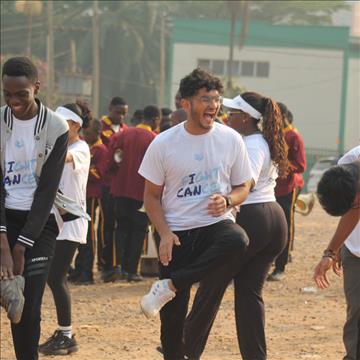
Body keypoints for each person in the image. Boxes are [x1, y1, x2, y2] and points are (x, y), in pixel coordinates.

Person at [138, 68, 252, 360]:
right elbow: (150, 197)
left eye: (216, 99)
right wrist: (164, 233)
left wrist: (227, 200)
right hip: (176, 232)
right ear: (185, 103)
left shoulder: (231, 139)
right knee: (173, 322)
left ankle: (171, 285)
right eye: (204, 99)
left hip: (215, 225)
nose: (213, 105)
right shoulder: (163, 144)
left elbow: (244, 185)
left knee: (237, 240)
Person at [183, 92, 289, 360]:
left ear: (245, 118)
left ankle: (184, 348)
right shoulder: (260, 141)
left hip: (252, 217)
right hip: (274, 219)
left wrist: (227, 200)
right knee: (249, 292)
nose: (226, 115)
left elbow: (248, 182)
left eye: (232, 112)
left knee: (212, 281)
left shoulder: (251, 145)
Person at [0, 57, 68, 360]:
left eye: (21, 94)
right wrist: (3, 241)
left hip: (40, 224)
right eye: (7, 94)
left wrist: (22, 245)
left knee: (27, 307)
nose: (14, 101)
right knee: (8, 296)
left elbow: (47, 190)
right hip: (3, 218)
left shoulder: (56, 126)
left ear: (36, 87)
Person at [39, 101, 91, 356]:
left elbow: (65, 157)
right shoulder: (60, 144)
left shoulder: (81, 149)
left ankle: (66, 335)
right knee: (46, 276)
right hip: (52, 221)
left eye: (61, 123)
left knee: (55, 276)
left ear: (75, 125)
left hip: (71, 224)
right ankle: (64, 333)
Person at [314, 145, 360, 360]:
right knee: (356, 316)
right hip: (356, 253)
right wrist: (331, 251)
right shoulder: (347, 165)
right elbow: (352, 213)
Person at [106, 105, 158, 282]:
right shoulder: (154, 139)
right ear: (156, 120)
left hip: (120, 190)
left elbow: (110, 160)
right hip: (142, 193)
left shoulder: (122, 135)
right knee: (138, 231)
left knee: (120, 228)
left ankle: (118, 267)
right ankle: (132, 269)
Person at [267, 102, 306, 281]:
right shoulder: (271, 135)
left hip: (286, 188)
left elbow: (301, 165)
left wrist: (284, 166)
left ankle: (280, 266)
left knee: (285, 225)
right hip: (269, 188)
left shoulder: (293, 136)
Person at [71, 119, 109, 284]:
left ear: (97, 133)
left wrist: (83, 165)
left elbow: (98, 174)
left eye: (88, 132)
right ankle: (79, 269)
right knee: (80, 233)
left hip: (93, 195)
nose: (85, 135)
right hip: (82, 194)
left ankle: (87, 272)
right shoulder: (87, 147)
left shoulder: (101, 150)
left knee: (89, 234)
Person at [100, 97, 129, 282]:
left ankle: (117, 263)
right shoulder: (101, 127)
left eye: (124, 113)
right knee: (106, 225)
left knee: (119, 225)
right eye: (118, 112)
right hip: (104, 183)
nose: (121, 116)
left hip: (119, 186)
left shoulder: (126, 130)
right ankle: (104, 263)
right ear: (110, 109)